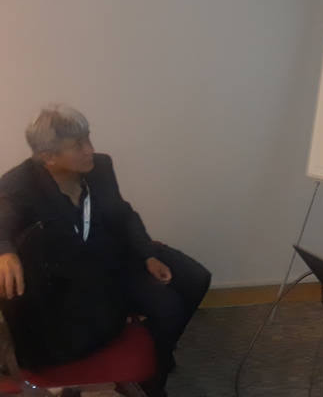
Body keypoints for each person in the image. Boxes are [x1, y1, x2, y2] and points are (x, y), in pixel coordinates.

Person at [0, 105, 211, 397]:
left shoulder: (100, 167)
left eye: (88, 138)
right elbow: (4, 219)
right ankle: (154, 380)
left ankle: (161, 348)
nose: (90, 149)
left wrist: (147, 255)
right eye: (78, 145)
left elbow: (122, 213)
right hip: (82, 276)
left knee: (197, 278)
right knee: (168, 307)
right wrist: (4, 250)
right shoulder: (20, 184)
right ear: (48, 156)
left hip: (118, 252)